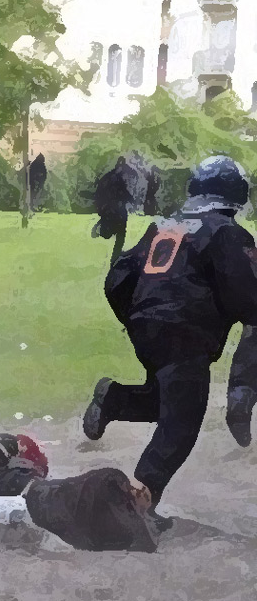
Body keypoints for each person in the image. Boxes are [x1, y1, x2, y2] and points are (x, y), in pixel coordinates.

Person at [81, 155, 257, 514]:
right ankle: (140, 503)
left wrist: (136, 319)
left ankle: (114, 399)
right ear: (236, 195)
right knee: (181, 422)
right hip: (186, 332)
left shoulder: (163, 227)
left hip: (148, 327)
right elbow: (247, 294)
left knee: (165, 399)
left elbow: (118, 277)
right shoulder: (227, 232)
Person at [0, 419, 159, 552]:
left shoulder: (111, 499)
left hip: (6, 514)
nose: (136, 491)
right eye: (139, 490)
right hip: (16, 511)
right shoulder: (111, 484)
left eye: (141, 495)